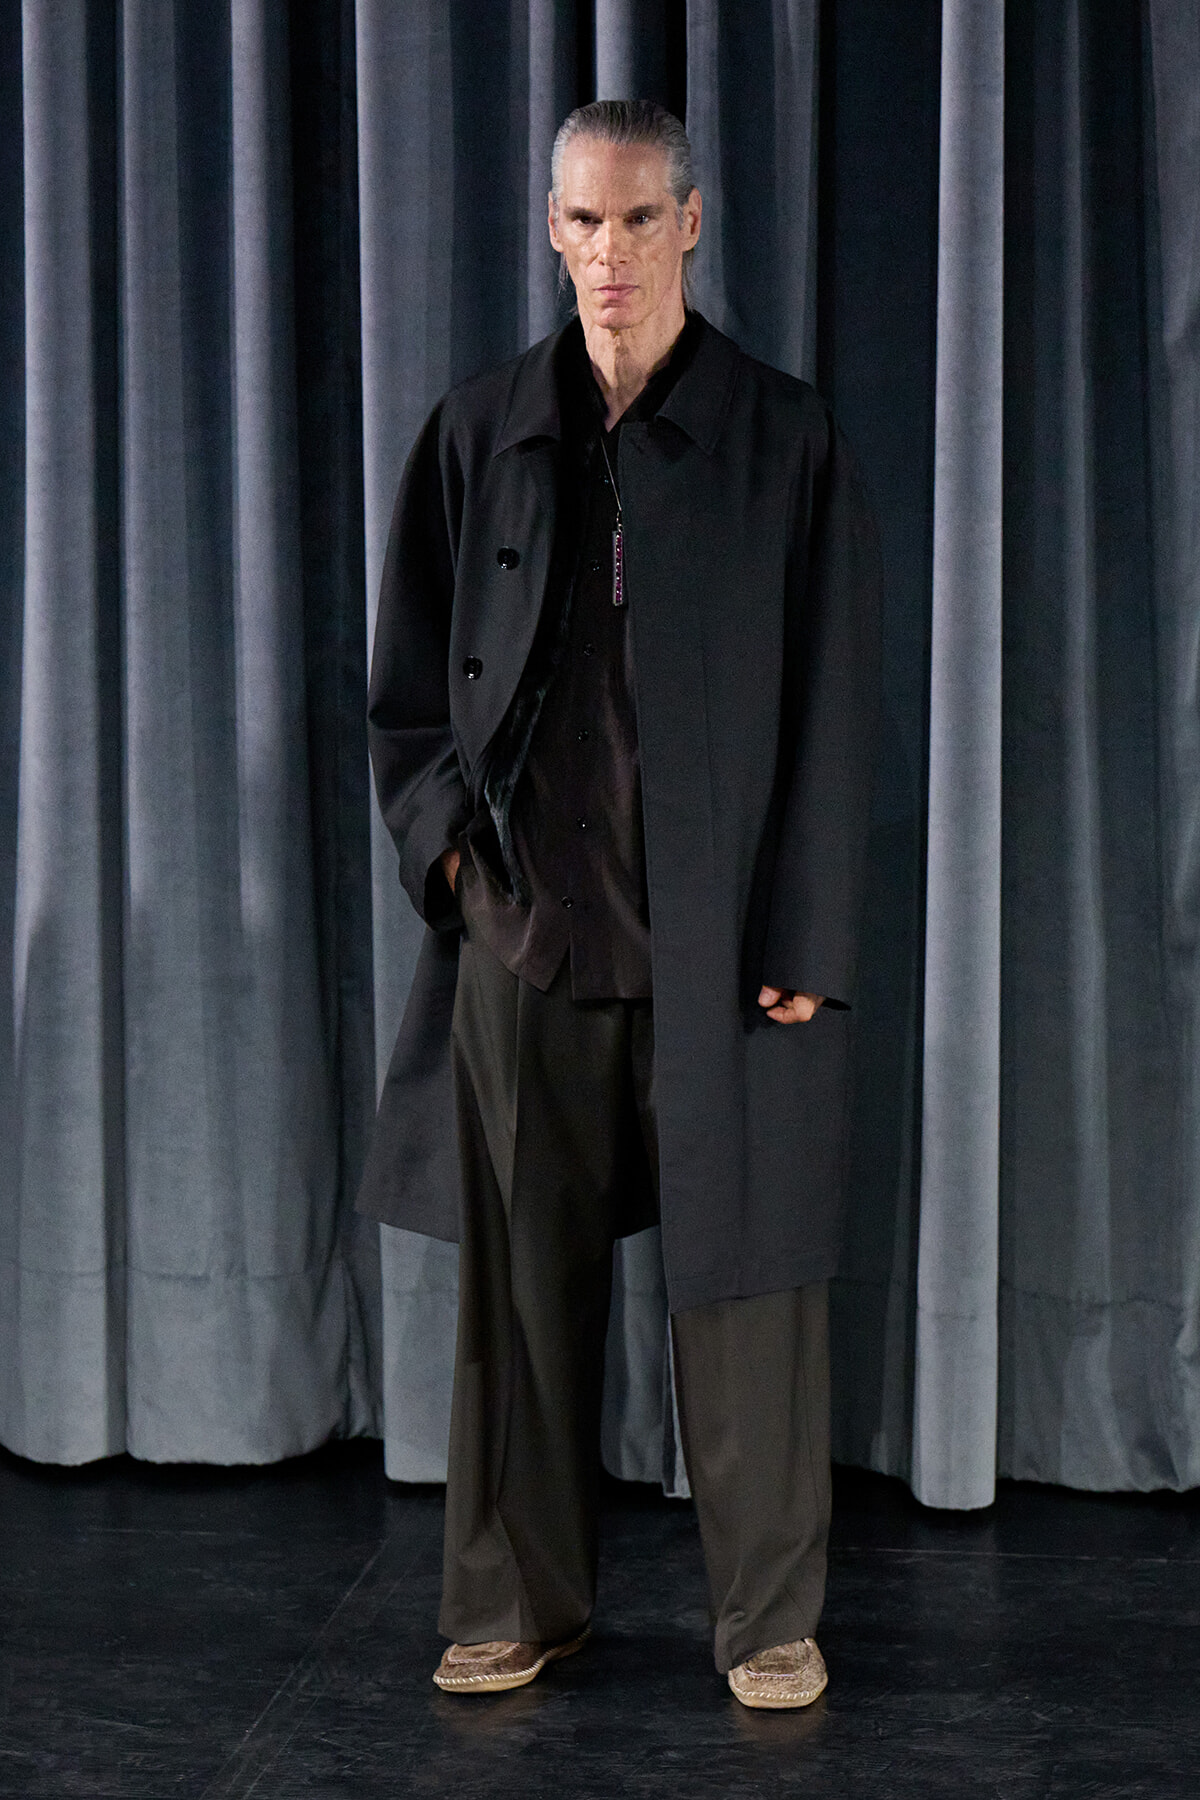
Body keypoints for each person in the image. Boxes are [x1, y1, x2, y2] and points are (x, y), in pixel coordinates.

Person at [358, 99, 883, 1710]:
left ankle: (768, 1620)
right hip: (532, 935)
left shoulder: (780, 436)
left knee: (752, 1291)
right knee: (517, 1299)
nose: (610, 256)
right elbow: (402, 699)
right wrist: (453, 861)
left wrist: (807, 929)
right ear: (549, 228)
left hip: (726, 953)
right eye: (582, 223)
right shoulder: (479, 428)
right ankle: (521, 1601)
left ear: (694, 224)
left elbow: (840, 703)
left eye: (640, 221)